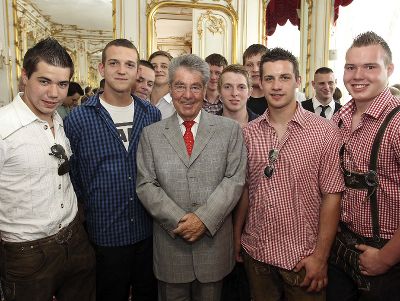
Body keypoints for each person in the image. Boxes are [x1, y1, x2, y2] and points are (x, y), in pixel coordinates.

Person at [235, 48, 344, 301]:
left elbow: (332, 196)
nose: (276, 86)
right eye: (269, 78)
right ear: (259, 82)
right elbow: (245, 191)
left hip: (303, 259)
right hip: (257, 254)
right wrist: (235, 238)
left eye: (284, 77)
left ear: (298, 81)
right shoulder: (248, 134)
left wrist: (320, 257)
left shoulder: (324, 132)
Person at [136, 54, 247, 301]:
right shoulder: (151, 135)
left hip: (213, 249)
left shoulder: (228, 131)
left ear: (206, 88)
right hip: (171, 248)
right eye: (180, 86)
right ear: (170, 88)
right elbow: (145, 184)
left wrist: (203, 220)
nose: (187, 95)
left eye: (195, 86)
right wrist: (181, 221)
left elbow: (235, 179)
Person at [64, 39, 160, 301]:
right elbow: (74, 177)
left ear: (136, 71)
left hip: (148, 232)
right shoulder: (78, 118)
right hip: (104, 235)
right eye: (114, 63)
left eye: (129, 64)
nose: (121, 70)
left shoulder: (151, 115)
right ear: (101, 68)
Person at [0, 37, 95, 301]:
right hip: (26, 252)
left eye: (62, 84)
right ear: (24, 77)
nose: (54, 93)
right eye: (44, 81)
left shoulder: (60, 121)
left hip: (75, 238)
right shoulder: (3, 128)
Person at [328, 31, 400, 301]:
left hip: (385, 257)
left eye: (370, 66)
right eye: (350, 67)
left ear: (389, 70)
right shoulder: (340, 118)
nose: (358, 76)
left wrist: (386, 259)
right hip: (341, 250)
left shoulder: (397, 122)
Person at [217, 64, 255, 301]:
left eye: (241, 87)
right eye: (228, 87)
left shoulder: (263, 128)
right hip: (217, 220)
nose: (234, 93)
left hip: (255, 222)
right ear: (219, 91)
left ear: (249, 91)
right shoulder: (206, 128)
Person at [243, 44, 268, 115]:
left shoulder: (276, 99)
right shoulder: (237, 99)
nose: (255, 70)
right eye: (249, 65)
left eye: (260, 64)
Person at [149, 50, 175, 119]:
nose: (158, 70)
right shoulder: (140, 99)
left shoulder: (177, 104)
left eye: (164, 66)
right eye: (154, 66)